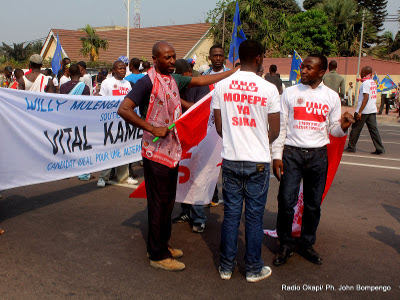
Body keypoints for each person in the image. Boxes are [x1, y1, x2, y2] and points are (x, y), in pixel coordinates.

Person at [117, 41, 239, 271]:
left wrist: (232, 72)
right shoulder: (146, 82)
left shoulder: (173, 79)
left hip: (172, 151)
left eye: (174, 57)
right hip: (155, 153)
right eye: (167, 58)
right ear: (155, 59)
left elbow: (202, 80)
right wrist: (152, 128)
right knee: (159, 203)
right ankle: (158, 255)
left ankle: (161, 244)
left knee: (168, 202)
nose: (172, 61)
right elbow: (124, 109)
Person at [272, 54, 353, 267]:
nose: (304, 71)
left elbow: (334, 130)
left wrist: (344, 125)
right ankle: (285, 244)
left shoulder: (332, 97)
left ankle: (307, 244)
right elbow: (281, 127)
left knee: (313, 205)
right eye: (303, 67)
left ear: (321, 72)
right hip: (292, 153)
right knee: (286, 202)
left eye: (309, 68)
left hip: (318, 155)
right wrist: (276, 156)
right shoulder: (289, 93)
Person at [212, 39, 280, 282]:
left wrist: (235, 136)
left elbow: (219, 127)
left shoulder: (222, 86)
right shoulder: (269, 89)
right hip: (258, 161)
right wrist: (258, 139)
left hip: (231, 159)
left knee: (230, 215)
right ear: (260, 58)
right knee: (254, 216)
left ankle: (226, 267)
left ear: (238, 57)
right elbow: (275, 131)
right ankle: (252, 268)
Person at [172, 59, 211, 233]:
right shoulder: (177, 84)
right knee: (183, 176)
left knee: (196, 177)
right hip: (182, 136)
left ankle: (199, 217)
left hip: (199, 136)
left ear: (188, 72)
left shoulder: (199, 85)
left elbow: (198, 110)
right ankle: (186, 211)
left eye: (180, 75)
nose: (177, 79)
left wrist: (177, 99)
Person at [96, 61, 139, 187]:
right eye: (120, 68)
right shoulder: (107, 82)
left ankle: (123, 177)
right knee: (109, 151)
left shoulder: (128, 84)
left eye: (124, 68)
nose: (123, 70)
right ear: (113, 70)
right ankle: (103, 177)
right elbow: (102, 100)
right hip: (110, 123)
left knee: (124, 150)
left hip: (125, 123)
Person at [203, 45, 230, 207]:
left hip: (229, 125)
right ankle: (211, 196)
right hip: (210, 125)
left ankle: (229, 198)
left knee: (227, 164)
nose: (218, 58)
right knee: (210, 162)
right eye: (215, 56)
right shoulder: (204, 77)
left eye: (221, 55)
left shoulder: (232, 76)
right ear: (210, 58)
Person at [345, 66, 385, 155]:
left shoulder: (365, 84)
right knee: (374, 130)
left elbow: (366, 97)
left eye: (361, 72)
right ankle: (380, 148)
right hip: (372, 110)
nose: (360, 74)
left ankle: (351, 147)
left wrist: (359, 112)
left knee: (355, 129)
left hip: (364, 111)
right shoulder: (373, 83)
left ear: (364, 73)